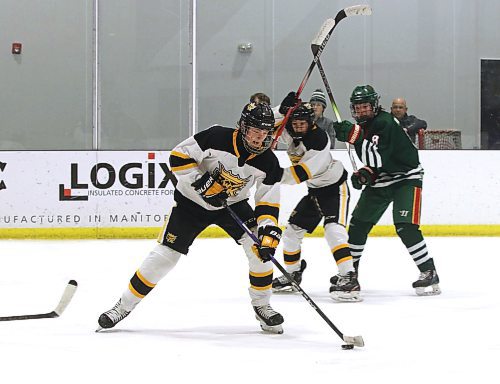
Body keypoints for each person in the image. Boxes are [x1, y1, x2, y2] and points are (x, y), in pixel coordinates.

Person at [97, 102, 287, 334]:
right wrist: (202, 183)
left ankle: (262, 306)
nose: (260, 138)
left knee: (260, 249)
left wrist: (268, 230)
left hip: (233, 205)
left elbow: (267, 201)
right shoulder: (217, 136)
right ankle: (122, 306)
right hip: (191, 203)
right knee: (164, 257)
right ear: (243, 127)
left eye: (265, 132)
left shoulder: (269, 162)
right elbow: (178, 156)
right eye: (255, 131)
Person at [332, 85, 440, 296]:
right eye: (358, 108)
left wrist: (354, 138)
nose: (362, 111)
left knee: (405, 227)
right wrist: (365, 174)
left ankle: (428, 271)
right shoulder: (366, 126)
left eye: (365, 107)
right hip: (382, 179)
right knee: (358, 226)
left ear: (374, 105)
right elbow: (375, 163)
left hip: (406, 179)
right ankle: (350, 274)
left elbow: (378, 157)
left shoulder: (385, 122)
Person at [271, 95, 360, 302]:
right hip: (314, 192)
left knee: (334, 231)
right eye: (295, 123)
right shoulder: (291, 131)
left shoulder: (320, 140)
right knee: (291, 233)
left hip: (334, 189)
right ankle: (292, 274)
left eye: (303, 123)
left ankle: (349, 277)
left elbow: (300, 174)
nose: (298, 127)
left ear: (311, 123)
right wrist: (281, 110)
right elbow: (266, 126)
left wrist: (273, 174)